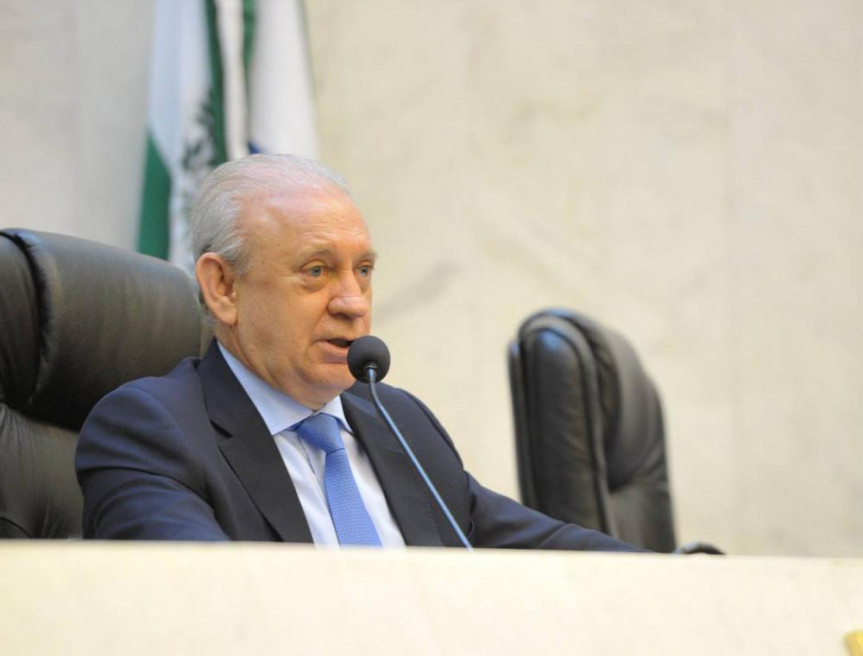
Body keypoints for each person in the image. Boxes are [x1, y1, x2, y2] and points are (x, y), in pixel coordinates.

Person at [76, 154, 641, 551]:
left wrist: (679, 575)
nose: (352, 302)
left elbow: (542, 548)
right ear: (223, 287)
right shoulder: (150, 432)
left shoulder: (399, 422)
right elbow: (212, 611)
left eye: (364, 270)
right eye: (316, 271)